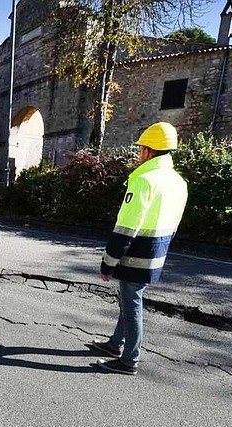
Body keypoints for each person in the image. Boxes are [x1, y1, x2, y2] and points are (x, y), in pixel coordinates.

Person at [89, 122, 188, 376]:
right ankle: (114, 345)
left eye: (141, 148)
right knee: (128, 299)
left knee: (131, 305)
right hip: (157, 251)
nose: (139, 153)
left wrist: (108, 262)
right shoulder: (178, 182)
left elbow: (126, 227)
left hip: (136, 254)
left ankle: (129, 360)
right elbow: (175, 224)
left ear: (147, 150)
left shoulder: (144, 180)